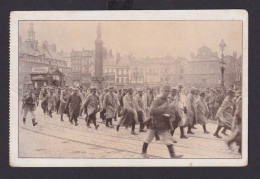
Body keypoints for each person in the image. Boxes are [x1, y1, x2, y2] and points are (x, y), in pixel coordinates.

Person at [141, 85, 183, 158]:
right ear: (162, 91)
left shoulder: (166, 99)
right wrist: (163, 107)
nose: (167, 93)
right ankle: (143, 152)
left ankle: (173, 155)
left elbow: (165, 109)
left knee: (166, 138)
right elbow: (152, 111)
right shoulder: (158, 100)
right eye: (165, 91)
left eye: (168, 91)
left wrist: (170, 108)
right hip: (155, 122)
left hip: (162, 122)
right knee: (149, 138)